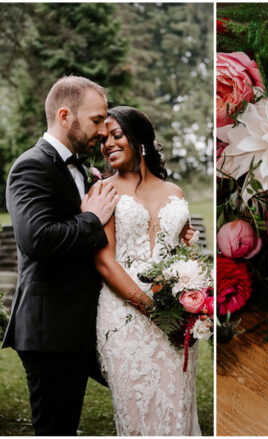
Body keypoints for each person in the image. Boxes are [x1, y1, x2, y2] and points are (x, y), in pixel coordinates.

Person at [2, 75, 118, 435]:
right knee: (55, 429)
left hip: (77, 326)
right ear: (65, 115)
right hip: (49, 329)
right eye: (97, 120)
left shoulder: (81, 168)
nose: (102, 131)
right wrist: (91, 219)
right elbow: (37, 239)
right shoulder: (31, 166)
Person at [94, 106, 201, 435]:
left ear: (138, 138)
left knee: (177, 410)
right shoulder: (103, 193)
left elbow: (184, 254)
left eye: (116, 135)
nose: (108, 144)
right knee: (139, 413)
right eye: (103, 139)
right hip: (125, 317)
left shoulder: (175, 193)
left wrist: (191, 266)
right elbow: (104, 262)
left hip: (177, 316)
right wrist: (154, 310)